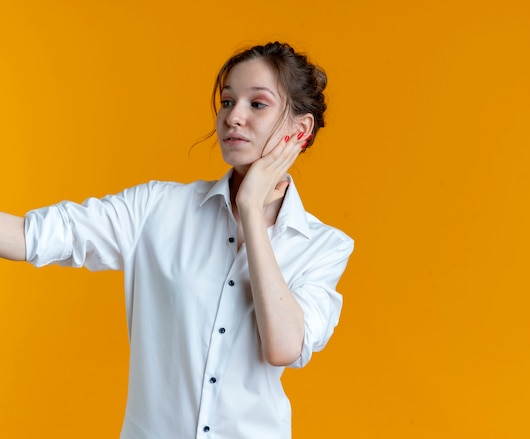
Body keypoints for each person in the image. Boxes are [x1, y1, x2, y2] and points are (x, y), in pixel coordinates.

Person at [0, 42, 354, 439]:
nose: (233, 117)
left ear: (299, 131)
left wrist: (251, 209)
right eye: (226, 101)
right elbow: (32, 237)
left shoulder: (324, 245)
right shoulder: (156, 207)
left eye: (257, 104)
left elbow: (284, 347)